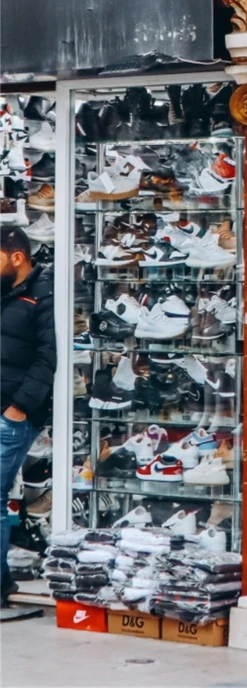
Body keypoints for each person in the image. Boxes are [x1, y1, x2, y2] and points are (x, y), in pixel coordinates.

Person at [0, 226, 55, 604]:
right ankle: (3, 583)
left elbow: (47, 356)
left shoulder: (43, 294)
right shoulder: (6, 294)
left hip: (12, 413)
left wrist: (19, 408)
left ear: (16, 257)